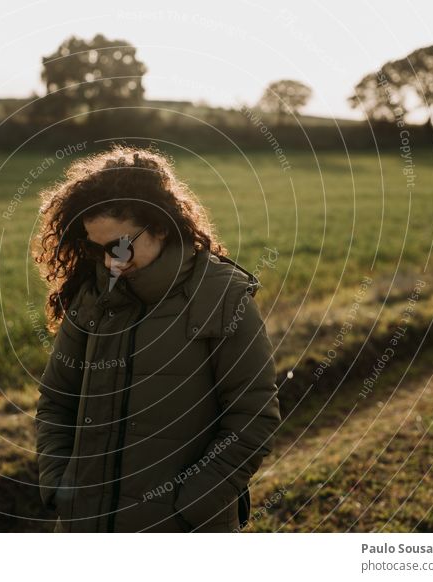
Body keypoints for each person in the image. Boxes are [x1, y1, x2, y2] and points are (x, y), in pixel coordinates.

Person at [32, 145, 281, 532]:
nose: (110, 262)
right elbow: (55, 401)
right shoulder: (90, 296)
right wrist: (61, 486)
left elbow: (252, 418)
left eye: (119, 246)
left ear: (161, 225)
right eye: (94, 249)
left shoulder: (220, 297)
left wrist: (189, 506)